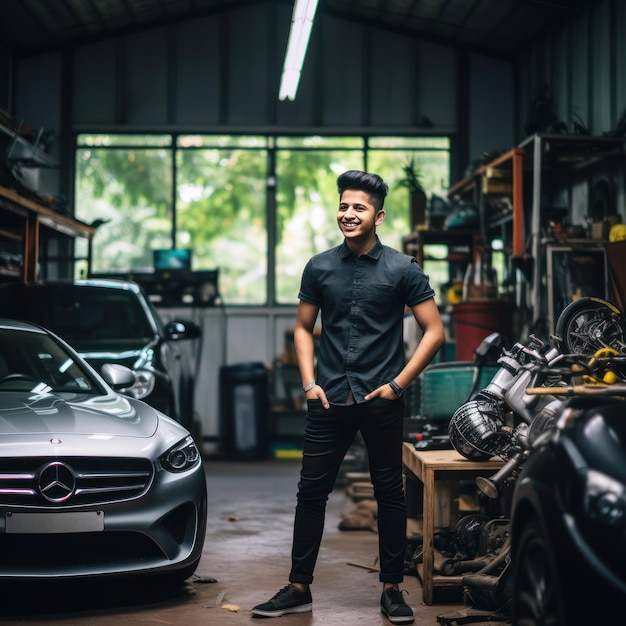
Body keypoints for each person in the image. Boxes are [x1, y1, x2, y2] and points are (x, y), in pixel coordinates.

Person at [252, 170, 445, 624]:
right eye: (343, 205)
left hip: (381, 398)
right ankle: (298, 588)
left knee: (390, 494)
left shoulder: (402, 269)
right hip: (329, 399)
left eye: (358, 207)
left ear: (377, 216)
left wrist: (398, 384)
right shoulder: (319, 266)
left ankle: (392, 590)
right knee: (311, 493)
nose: (348, 214)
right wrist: (308, 383)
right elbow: (302, 328)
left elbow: (435, 331)